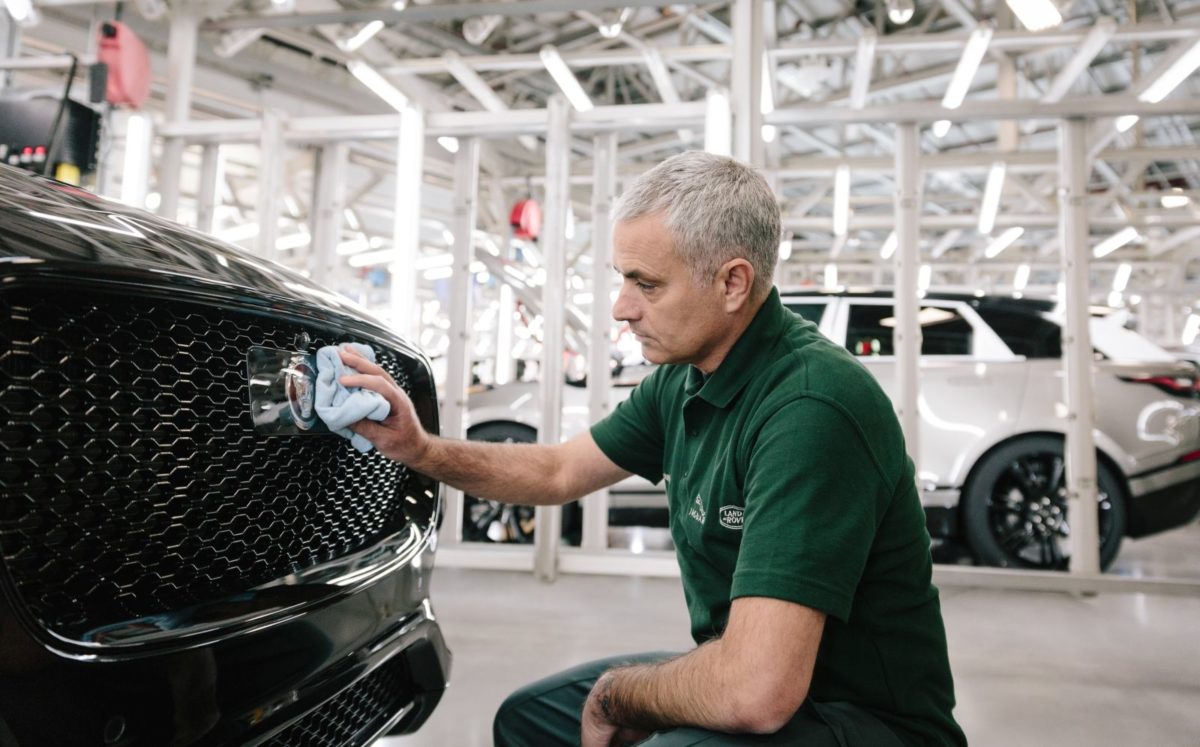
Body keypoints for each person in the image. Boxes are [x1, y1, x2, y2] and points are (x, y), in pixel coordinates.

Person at [338, 151, 967, 746]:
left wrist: (619, 695)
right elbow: (558, 470)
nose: (621, 308)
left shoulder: (809, 408)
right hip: (764, 682)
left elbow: (756, 692)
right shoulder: (683, 380)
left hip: (859, 722)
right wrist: (420, 448)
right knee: (530, 722)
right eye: (622, 280)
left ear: (732, 283)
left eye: (647, 284)